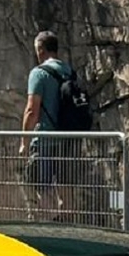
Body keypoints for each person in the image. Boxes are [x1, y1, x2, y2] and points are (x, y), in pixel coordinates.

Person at [22, 31, 90, 213]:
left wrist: (24, 142)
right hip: (68, 139)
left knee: (41, 186)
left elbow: (32, 110)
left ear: (40, 49)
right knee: (66, 186)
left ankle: (49, 225)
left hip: (45, 138)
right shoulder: (69, 72)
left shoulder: (38, 73)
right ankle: (68, 229)